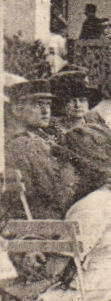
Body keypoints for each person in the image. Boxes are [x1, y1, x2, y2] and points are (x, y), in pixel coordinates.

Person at [6, 125, 111, 301]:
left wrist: (28, 264)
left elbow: (53, 271)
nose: (58, 169)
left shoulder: (88, 206)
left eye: (63, 164)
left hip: (91, 296)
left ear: (81, 170)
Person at [4, 79, 74, 220]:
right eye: (38, 105)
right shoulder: (21, 145)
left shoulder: (39, 138)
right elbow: (49, 192)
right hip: (43, 220)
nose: (45, 111)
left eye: (48, 105)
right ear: (17, 110)